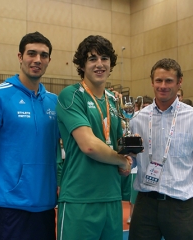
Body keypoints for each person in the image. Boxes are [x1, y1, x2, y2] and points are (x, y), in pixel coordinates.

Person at [0, 32, 60, 240]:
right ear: (20, 57)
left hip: (45, 208)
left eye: (44, 55)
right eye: (31, 53)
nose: (37, 60)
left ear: (49, 60)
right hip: (8, 209)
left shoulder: (55, 102)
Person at [56, 35, 132, 240]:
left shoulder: (113, 100)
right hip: (80, 198)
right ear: (82, 64)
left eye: (104, 58)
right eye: (92, 59)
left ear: (111, 63)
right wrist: (121, 160)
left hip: (112, 197)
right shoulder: (71, 95)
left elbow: (117, 144)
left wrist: (128, 157)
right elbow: (88, 145)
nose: (99, 64)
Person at [129, 58, 193, 240]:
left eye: (169, 81)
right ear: (152, 82)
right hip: (146, 203)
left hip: (180, 205)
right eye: (158, 80)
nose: (163, 86)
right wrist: (124, 163)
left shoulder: (191, 117)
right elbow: (131, 157)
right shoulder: (137, 118)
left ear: (179, 82)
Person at [127, 95, 153, 224]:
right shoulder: (134, 120)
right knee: (133, 198)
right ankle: (132, 216)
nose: (146, 109)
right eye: (143, 106)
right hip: (139, 176)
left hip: (177, 199)